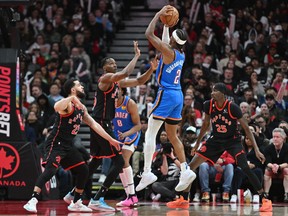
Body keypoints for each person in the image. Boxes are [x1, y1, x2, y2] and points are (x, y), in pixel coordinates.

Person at [64, 41, 158, 211]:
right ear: (104, 68)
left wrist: (151, 69)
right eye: (111, 62)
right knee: (119, 161)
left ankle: (73, 194)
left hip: (100, 124)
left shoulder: (116, 83)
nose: (114, 64)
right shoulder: (105, 79)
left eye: (115, 62)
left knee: (94, 162)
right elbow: (127, 72)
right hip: (101, 123)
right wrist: (137, 56)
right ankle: (98, 197)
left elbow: (138, 81)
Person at [167, 83, 272, 212]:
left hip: (232, 141)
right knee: (191, 167)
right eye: (212, 90)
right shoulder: (208, 105)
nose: (212, 93)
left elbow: (246, 128)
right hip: (215, 140)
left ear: (222, 93)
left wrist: (256, 149)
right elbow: (205, 125)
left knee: (245, 167)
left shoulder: (233, 108)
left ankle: (265, 199)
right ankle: (184, 199)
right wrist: (198, 144)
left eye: (215, 91)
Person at [23, 78, 120, 213]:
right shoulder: (67, 105)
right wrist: (71, 98)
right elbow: (57, 106)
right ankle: (32, 200)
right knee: (51, 170)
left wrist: (111, 140)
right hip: (56, 144)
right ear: (73, 90)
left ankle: (76, 202)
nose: (82, 87)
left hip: (68, 146)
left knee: (84, 170)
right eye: (79, 85)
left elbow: (95, 125)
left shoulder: (81, 108)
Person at [135, 5, 195, 193]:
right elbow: (166, 42)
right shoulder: (180, 53)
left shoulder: (168, 51)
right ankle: (185, 169)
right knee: (172, 136)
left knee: (150, 134)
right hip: (178, 94)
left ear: (174, 41)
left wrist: (158, 15)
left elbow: (148, 34)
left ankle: (146, 172)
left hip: (166, 94)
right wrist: (167, 25)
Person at [263, 127, 288, 202]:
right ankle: (266, 194)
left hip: (283, 169)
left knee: (287, 170)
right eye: (274, 137)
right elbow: (267, 162)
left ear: (283, 138)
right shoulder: (268, 148)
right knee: (267, 170)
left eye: (277, 137)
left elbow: (287, 162)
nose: (275, 139)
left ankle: (286, 194)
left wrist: (279, 166)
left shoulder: (287, 147)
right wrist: (273, 166)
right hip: (272, 169)